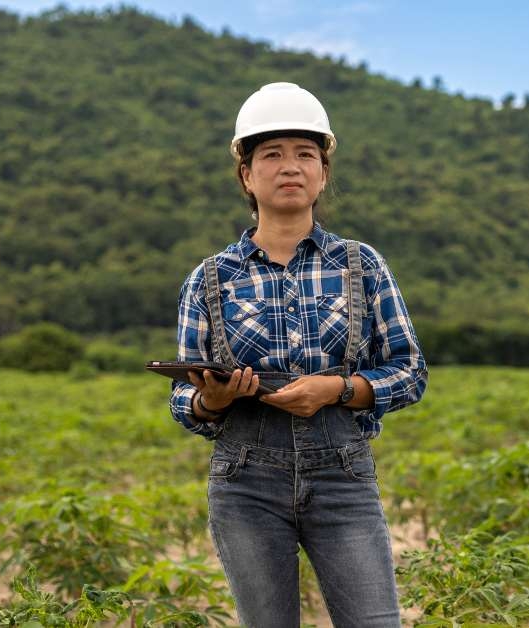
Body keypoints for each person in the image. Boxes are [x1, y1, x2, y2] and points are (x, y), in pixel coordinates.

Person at [168, 82, 427, 627]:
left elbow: (409, 372)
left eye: (305, 154)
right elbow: (181, 399)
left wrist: (335, 390)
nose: (291, 166)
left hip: (342, 475)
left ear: (323, 173)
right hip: (245, 481)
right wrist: (210, 401)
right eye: (272, 155)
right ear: (246, 175)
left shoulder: (362, 265)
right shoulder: (210, 278)